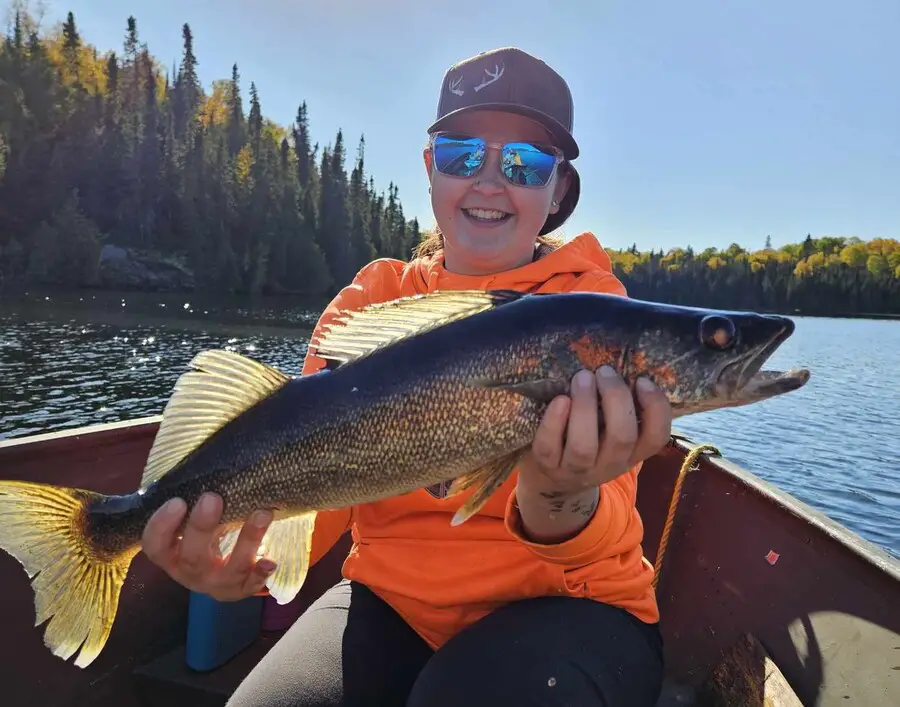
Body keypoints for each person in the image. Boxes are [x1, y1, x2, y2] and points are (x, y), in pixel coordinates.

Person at [141, 46, 673, 706]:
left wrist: (560, 493)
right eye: (460, 155)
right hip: (390, 604)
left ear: (557, 188)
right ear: (430, 169)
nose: (487, 179)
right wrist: (235, 565)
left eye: (523, 163)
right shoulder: (367, 304)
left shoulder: (594, 311)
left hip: (578, 610)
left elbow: (610, 516)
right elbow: (311, 520)